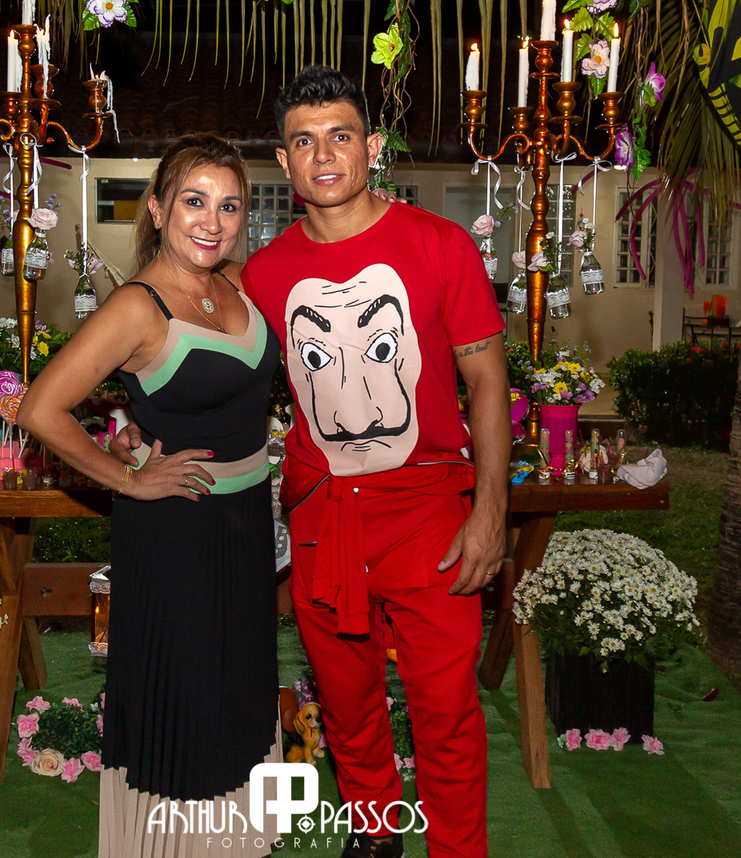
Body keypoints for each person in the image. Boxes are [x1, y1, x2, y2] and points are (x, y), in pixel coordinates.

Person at [244, 66, 510, 858]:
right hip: (324, 513)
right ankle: (375, 831)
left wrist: (491, 512)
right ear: (284, 162)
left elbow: (487, 381)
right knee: (347, 700)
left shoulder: (439, 245)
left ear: (373, 146)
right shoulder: (263, 274)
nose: (324, 155)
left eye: (340, 135)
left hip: (429, 510)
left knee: (445, 708)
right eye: (304, 142)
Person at [17, 133, 282, 858]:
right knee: (185, 701)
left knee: (239, 693)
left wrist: (130, 422)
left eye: (230, 206)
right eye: (194, 201)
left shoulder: (238, 282)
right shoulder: (137, 306)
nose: (212, 221)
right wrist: (128, 478)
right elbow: (40, 409)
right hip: (177, 531)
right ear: (159, 209)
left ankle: (238, 845)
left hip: (246, 525)